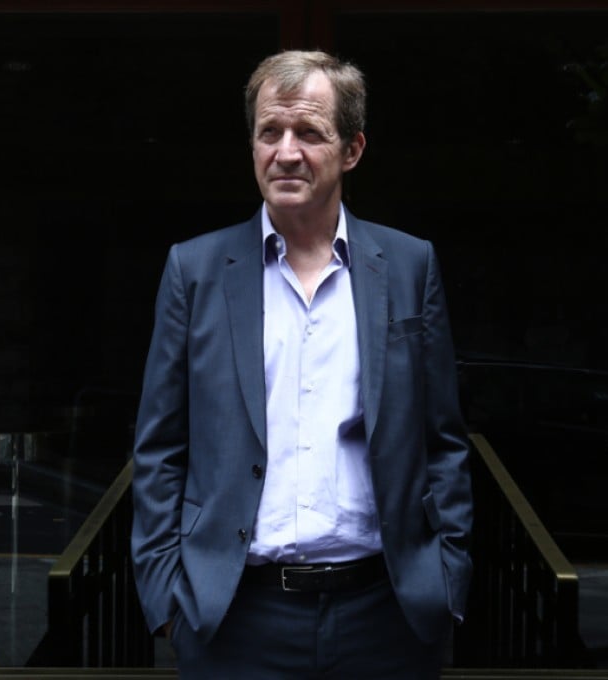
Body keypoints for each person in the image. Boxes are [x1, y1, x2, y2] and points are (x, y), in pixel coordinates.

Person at [131, 49, 473, 678]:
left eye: (309, 132)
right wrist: (167, 600)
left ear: (352, 149)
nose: (286, 151)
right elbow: (160, 448)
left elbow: (442, 438)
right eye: (270, 132)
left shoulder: (407, 265)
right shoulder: (195, 270)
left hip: (386, 614)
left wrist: (446, 579)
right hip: (233, 617)